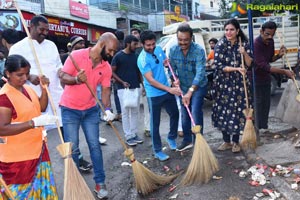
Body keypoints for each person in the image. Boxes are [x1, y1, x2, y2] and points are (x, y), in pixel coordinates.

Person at [59, 32, 118, 199]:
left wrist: (107, 110)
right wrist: (76, 79)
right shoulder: (77, 56)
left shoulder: (105, 67)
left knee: (95, 146)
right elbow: (62, 76)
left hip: (91, 110)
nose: (112, 54)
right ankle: (75, 185)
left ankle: (100, 183)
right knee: (73, 148)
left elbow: (106, 90)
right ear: (102, 44)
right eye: (111, 50)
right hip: (70, 109)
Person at [0, 54, 58, 199]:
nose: (24, 78)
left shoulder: (28, 89)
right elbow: (2, 128)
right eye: (19, 75)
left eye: (26, 74)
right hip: (18, 159)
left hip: (38, 150)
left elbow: (42, 107)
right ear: (8, 73)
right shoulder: (4, 97)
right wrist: (32, 123)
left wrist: (44, 89)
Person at [137, 30, 181, 161]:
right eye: (148, 45)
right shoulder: (142, 59)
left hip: (166, 89)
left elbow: (164, 63)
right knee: (155, 123)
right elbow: (150, 80)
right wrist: (170, 89)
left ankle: (171, 137)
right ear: (142, 44)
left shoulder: (159, 49)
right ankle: (157, 150)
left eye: (153, 44)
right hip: (154, 94)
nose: (151, 47)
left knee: (175, 114)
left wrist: (166, 64)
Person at [212, 18, 253, 153]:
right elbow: (219, 66)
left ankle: (235, 142)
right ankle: (226, 141)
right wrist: (236, 69)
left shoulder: (244, 43)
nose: (228, 32)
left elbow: (249, 64)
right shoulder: (220, 44)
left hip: (240, 85)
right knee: (224, 111)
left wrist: (244, 52)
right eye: (226, 30)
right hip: (224, 85)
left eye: (231, 30)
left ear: (237, 31)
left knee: (237, 112)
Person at [169, 23, 207, 151]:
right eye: (180, 40)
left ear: (191, 38)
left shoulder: (199, 51)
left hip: (198, 86)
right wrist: (173, 80)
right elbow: (171, 69)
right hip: (183, 87)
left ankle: (198, 141)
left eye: (186, 40)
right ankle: (187, 140)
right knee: (185, 113)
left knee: (195, 111)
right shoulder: (173, 50)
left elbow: (200, 72)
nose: (183, 43)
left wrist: (190, 92)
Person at [253, 21, 294, 135]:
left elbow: (270, 59)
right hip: (255, 79)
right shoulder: (256, 44)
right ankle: (255, 129)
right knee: (257, 104)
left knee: (266, 104)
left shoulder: (270, 42)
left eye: (272, 34)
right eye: (267, 34)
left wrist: (279, 55)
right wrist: (284, 72)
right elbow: (263, 65)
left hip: (266, 78)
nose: (270, 37)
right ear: (261, 31)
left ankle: (263, 128)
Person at [111, 35, 143, 146]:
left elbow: (139, 72)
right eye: (135, 44)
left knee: (135, 112)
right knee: (125, 113)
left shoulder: (136, 56)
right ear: (128, 43)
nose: (136, 46)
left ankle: (134, 134)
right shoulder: (118, 56)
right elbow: (112, 72)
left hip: (136, 87)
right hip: (122, 89)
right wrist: (122, 82)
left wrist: (142, 85)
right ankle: (128, 136)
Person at [131, 27, 151, 137]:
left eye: (136, 32)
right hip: (134, 83)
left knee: (148, 107)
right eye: (132, 33)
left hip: (145, 82)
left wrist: (144, 84)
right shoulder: (132, 51)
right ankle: (132, 132)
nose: (134, 34)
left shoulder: (145, 50)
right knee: (134, 108)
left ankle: (148, 128)